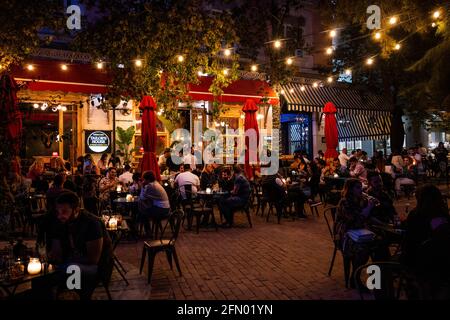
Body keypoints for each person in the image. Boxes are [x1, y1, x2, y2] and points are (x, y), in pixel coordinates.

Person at [45, 191, 114, 300]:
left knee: (72, 270)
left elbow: (93, 259)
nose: (59, 215)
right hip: (70, 262)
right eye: (57, 211)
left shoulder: (92, 223)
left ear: (76, 210)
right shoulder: (60, 222)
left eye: (64, 211)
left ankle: (73, 296)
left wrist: (66, 262)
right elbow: (56, 254)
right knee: (46, 275)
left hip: (98, 267)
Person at [402, 184, 450, 299]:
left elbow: (409, 242)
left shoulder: (416, 215)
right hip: (442, 260)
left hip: (422, 262)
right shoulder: (443, 214)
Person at [335, 179, 380, 287]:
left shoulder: (361, 200)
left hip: (359, 231)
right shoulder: (344, 202)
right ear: (350, 189)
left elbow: (368, 217)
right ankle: (355, 277)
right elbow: (355, 220)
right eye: (358, 188)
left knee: (378, 244)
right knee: (363, 249)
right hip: (345, 234)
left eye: (361, 187)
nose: (361, 190)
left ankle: (378, 279)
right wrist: (369, 207)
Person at [137, 171, 171, 236]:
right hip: (166, 208)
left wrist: (142, 186)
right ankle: (148, 231)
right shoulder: (155, 183)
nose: (143, 181)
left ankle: (148, 233)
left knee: (142, 213)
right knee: (143, 208)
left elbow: (142, 197)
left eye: (144, 179)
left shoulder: (151, 185)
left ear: (148, 179)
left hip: (162, 210)